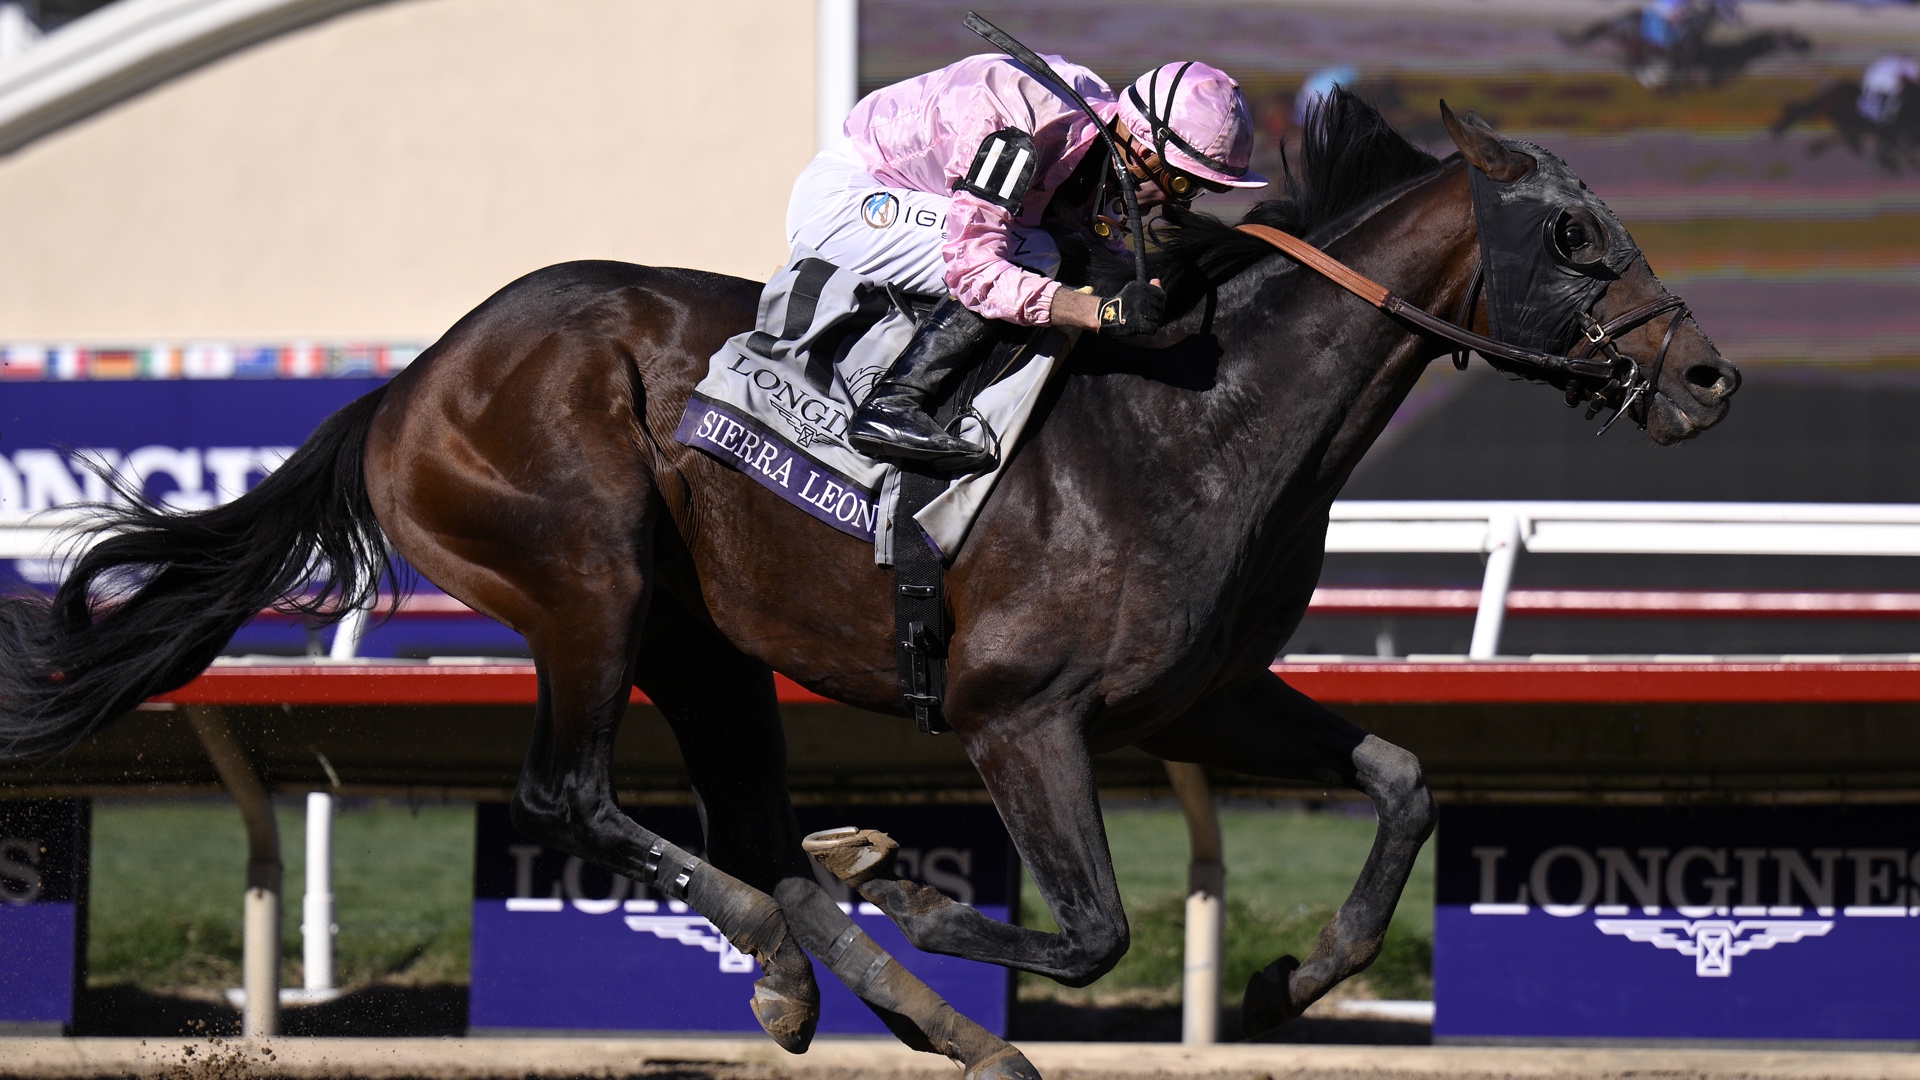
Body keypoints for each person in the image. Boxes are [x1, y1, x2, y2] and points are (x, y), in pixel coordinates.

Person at [786, 54, 1267, 472]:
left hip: (911, 194)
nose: (1179, 202)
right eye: (1183, 184)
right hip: (848, 201)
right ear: (1142, 151)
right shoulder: (1020, 129)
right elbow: (974, 270)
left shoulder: (1094, 136)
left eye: (1205, 190)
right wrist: (1098, 313)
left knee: (1057, 251)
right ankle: (892, 404)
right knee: (1033, 252)